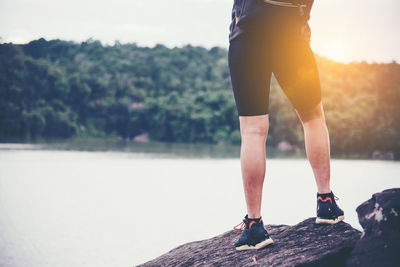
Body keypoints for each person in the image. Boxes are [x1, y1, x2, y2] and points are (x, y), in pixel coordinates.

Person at [228, 0, 344, 251]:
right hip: (292, 38)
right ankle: (326, 202)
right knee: (313, 118)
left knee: (253, 130)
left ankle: (254, 226)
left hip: (248, 35)